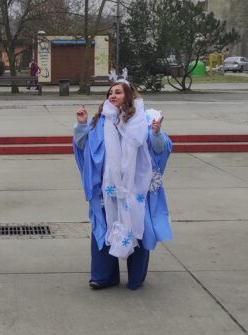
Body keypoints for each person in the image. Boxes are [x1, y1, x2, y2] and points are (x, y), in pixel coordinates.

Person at [72, 77, 173, 290]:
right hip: (108, 188)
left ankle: (136, 277)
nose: (112, 96)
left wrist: (156, 134)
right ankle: (103, 276)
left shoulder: (145, 118)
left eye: (117, 92)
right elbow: (84, 146)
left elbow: (160, 149)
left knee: (138, 226)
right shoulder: (101, 121)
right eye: (110, 92)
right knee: (104, 226)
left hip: (136, 188)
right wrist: (81, 125)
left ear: (128, 95)